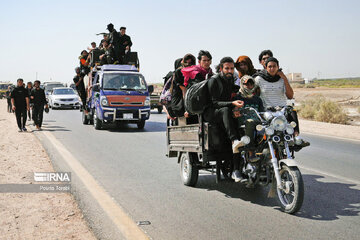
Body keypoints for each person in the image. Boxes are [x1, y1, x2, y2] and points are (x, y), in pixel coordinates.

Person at [254, 57, 309, 146]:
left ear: (278, 67)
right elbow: (254, 93)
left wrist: (284, 78)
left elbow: (290, 96)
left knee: (292, 111)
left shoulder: (282, 79)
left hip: (281, 110)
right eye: (270, 66)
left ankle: (296, 137)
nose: (272, 69)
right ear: (266, 68)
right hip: (266, 111)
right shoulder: (259, 79)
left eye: (274, 66)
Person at [203, 57, 244, 154]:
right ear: (221, 69)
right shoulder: (214, 80)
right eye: (227, 68)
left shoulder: (231, 79)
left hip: (224, 110)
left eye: (232, 68)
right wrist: (232, 104)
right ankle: (234, 141)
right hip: (211, 113)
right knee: (225, 110)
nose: (230, 71)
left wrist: (235, 107)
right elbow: (214, 103)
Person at [232, 75, 265, 181]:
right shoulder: (237, 98)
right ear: (242, 84)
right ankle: (251, 153)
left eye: (251, 83)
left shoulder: (257, 99)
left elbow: (262, 112)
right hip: (242, 125)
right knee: (250, 122)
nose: (249, 86)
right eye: (247, 83)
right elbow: (234, 112)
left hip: (258, 124)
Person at [169, 54, 196, 119]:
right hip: (180, 106)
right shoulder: (179, 72)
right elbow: (184, 91)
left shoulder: (194, 72)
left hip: (187, 103)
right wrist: (187, 109)